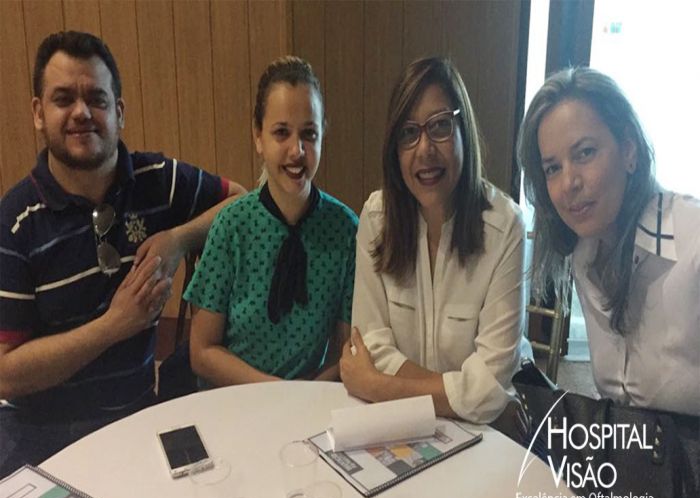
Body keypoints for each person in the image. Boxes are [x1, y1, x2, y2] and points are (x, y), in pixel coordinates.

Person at [0, 31, 245, 476]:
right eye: (63, 99)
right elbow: (6, 373)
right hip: (44, 439)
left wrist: (179, 238)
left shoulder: (157, 178)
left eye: (96, 98)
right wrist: (113, 326)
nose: (81, 112)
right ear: (38, 113)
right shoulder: (14, 223)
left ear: (119, 111)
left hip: (136, 420)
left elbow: (241, 203)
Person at [339, 57, 528, 436]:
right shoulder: (376, 218)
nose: (424, 149)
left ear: (463, 130)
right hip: (414, 426)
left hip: (486, 436)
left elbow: (490, 385)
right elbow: (371, 345)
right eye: (409, 133)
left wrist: (377, 386)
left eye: (440, 126)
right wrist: (464, 399)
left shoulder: (505, 226)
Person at [518, 67, 699, 416]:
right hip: (631, 448)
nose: (569, 183)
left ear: (629, 150)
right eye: (553, 168)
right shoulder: (584, 253)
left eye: (585, 153)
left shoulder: (692, 243)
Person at [184, 56, 357, 386]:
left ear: (323, 135)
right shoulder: (231, 225)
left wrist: (303, 397)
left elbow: (345, 350)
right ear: (258, 137)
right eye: (281, 133)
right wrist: (275, 393)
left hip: (309, 398)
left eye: (309, 134)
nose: (297, 150)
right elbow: (202, 351)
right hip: (235, 397)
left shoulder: (346, 230)